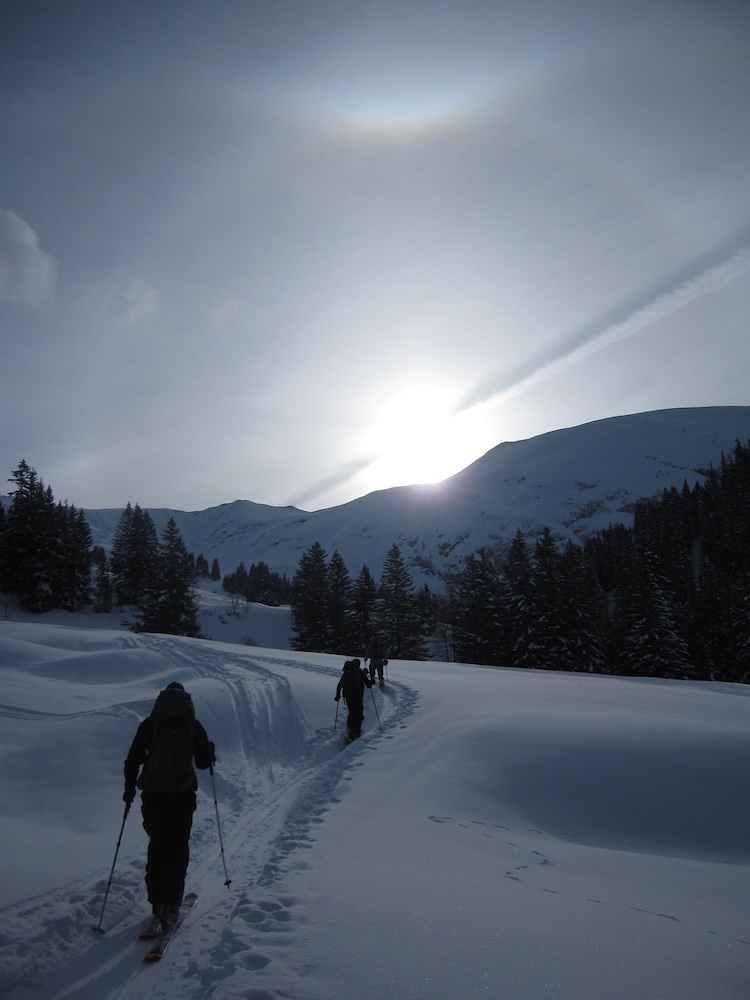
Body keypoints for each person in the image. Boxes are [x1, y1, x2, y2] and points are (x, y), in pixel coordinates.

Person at [123, 681, 215, 930]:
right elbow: (204, 763)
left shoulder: (151, 724)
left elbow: (134, 758)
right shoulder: (192, 726)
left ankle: (157, 904)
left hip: (153, 796)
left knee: (157, 845)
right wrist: (210, 751)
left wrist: (129, 789)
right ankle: (172, 905)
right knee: (177, 847)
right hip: (182, 796)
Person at [335, 658, 372, 740]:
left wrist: (338, 696)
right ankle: (356, 732)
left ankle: (349, 730)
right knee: (359, 714)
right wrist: (370, 682)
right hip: (358, 695)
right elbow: (368, 685)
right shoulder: (360, 673)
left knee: (351, 712)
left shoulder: (346, 674)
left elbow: (339, 685)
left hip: (348, 695)